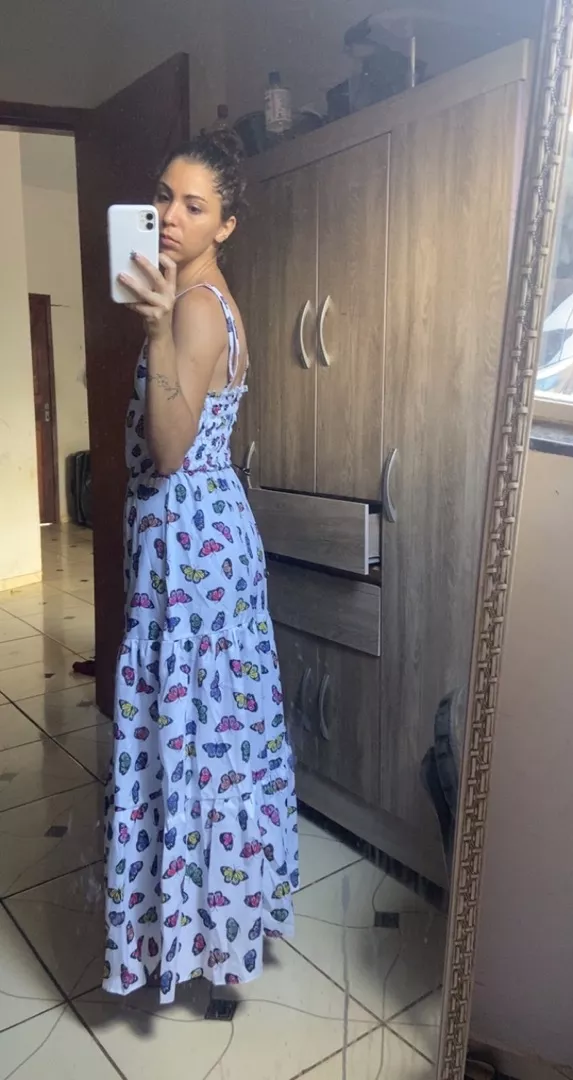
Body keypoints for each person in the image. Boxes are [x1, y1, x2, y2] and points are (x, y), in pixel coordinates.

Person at [103, 130, 298, 1004]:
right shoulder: (206, 297)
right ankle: (223, 923)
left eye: (194, 205)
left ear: (225, 224)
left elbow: (170, 446)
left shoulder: (189, 308)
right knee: (220, 729)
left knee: (187, 731)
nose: (171, 216)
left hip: (188, 542)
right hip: (211, 538)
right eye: (163, 196)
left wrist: (152, 332)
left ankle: (194, 937)